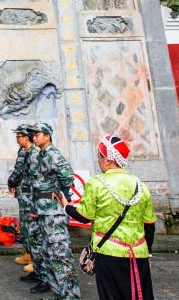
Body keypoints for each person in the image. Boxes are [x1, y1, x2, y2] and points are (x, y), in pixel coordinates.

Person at [66, 135, 156, 300]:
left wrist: (66, 206)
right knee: (139, 295)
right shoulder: (140, 186)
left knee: (112, 295)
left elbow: (84, 216)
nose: (98, 160)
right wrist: (148, 253)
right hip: (138, 253)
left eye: (99, 157)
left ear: (108, 160)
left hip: (109, 252)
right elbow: (149, 225)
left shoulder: (96, 183)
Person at [25, 122, 79, 298]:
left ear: (47, 136)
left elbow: (67, 174)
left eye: (38, 134)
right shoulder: (41, 154)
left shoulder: (52, 153)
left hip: (54, 212)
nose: (34, 138)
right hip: (44, 211)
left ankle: (71, 295)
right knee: (49, 253)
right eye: (33, 135)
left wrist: (64, 196)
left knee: (60, 254)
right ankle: (58, 292)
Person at [8, 123, 36, 272]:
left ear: (26, 137)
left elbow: (19, 171)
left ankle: (35, 258)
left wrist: (11, 182)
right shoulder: (24, 150)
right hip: (24, 192)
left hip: (31, 194)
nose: (17, 139)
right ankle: (28, 253)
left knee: (31, 225)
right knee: (25, 224)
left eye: (19, 136)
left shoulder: (32, 152)